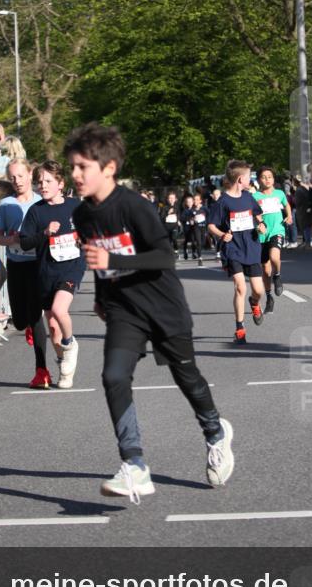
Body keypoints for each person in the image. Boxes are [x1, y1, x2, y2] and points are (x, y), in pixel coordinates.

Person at [65, 123, 233, 502]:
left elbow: (163, 256)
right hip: (125, 310)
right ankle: (135, 465)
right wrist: (102, 296)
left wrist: (114, 258)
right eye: (72, 167)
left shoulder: (134, 206)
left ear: (108, 168)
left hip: (163, 307)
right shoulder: (82, 215)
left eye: (82, 167)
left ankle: (215, 433)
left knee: (186, 376)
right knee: (113, 376)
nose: (74, 175)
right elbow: (100, 259)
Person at [19, 160, 85, 389]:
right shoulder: (36, 211)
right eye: (40, 182)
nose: (43, 186)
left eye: (48, 181)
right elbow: (25, 242)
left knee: (59, 310)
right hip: (46, 271)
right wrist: (45, 233)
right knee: (53, 327)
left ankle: (71, 343)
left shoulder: (75, 206)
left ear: (60, 183)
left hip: (72, 267)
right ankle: (64, 365)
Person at [0, 159, 47, 386]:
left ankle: (42, 370)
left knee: (36, 317)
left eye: (21, 176)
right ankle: (26, 326)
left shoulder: (41, 202)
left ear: (30, 175)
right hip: (16, 263)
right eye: (13, 177)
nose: (17, 181)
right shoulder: (6, 204)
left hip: (37, 264)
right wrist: (12, 239)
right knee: (19, 319)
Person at [207, 160, 265, 344]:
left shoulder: (248, 197)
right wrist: (222, 235)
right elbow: (211, 225)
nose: (251, 179)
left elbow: (257, 214)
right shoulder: (223, 202)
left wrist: (261, 224)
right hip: (233, 248)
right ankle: (239, 328)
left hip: (251, 246)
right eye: (249, 177)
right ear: (241, 179)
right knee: (240, 286)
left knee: (258, 290)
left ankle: (254, 303)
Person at [252, 166, 292, 315]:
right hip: (262, 234)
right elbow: (254, 214)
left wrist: (289, 215)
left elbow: (286, 204)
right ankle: (269, 297)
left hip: (277, 230)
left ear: (273, 179)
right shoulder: (255, 197)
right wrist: (259, 224)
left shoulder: (279, 193)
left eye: (270, 176)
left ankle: (278, 276)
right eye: (264, 177)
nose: (267, 179)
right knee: (265, 269)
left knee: (275, 256)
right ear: (258, 180)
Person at [159, 191, 181, 256]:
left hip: (175, 226)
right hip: (167, 226)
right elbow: (161, 217)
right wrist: (167, 213)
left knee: (174, 238)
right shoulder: (164, 207)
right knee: (169, 241)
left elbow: (179, 215)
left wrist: (179, 220)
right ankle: (169, 252)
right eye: (170, 198)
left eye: (173, 198)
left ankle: (176, 250)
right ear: (168, 199)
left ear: (175, 199)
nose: (171, 200)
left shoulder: (177, 207)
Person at [180, 194, 198, 261]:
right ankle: (185, 252)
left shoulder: (194, 209)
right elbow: (182, 218)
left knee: (193, 240)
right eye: (188, 202)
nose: (189, 203)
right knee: (187, 240)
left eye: (191, 202)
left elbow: (197, 216)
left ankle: (194, 253)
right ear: (186, 203)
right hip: (187, 227)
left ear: (193, 202)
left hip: (193, 227)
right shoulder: (185, 210)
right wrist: (188, 220)